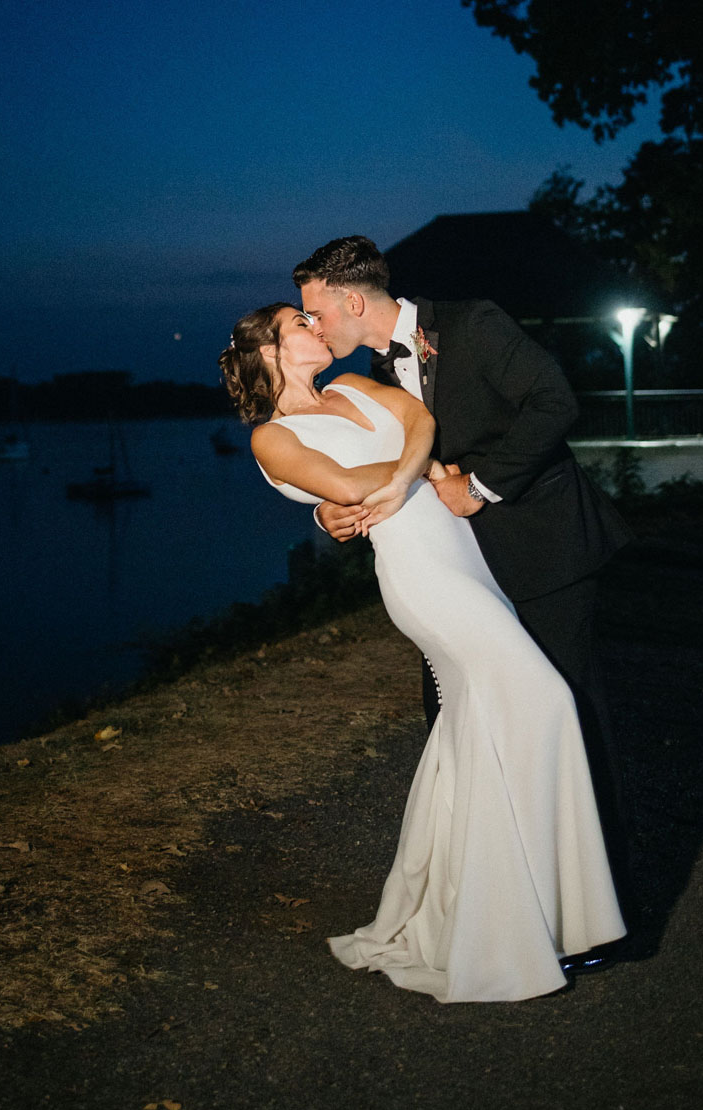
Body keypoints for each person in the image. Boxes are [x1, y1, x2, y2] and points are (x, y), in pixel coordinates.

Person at [219, 301, 625, 1003]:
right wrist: (400, 476)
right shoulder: (270, 437)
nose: (315, 328)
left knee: (479, 731)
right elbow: (349, 488)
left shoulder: (353, 388)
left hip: (470, 561)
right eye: (297, 324)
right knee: (545, 700)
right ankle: (523, 919)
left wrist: (407, 467)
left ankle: (510, 913)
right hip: (425, 577)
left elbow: (424, 422)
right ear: (268, 353)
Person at [293, 234, 635, 940]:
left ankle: (604, 917)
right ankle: (490, 905)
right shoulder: (368, 380)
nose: (313, 328)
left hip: (545, 551)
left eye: (316, 313)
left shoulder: (473, 322)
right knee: (457, 721)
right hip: (458, 573)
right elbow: (392, 466)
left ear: (352, 301)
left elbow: (553, 401)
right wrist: (335, 510)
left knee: (567, 719)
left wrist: (479, 486)